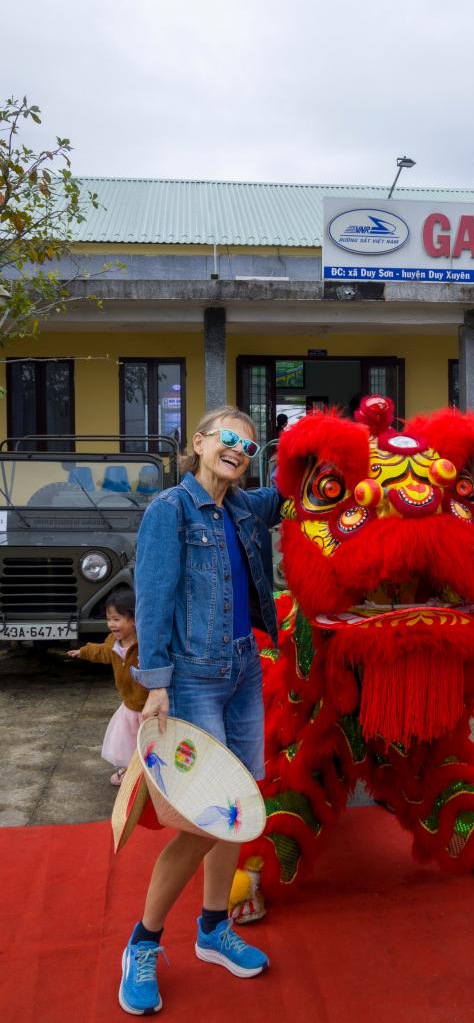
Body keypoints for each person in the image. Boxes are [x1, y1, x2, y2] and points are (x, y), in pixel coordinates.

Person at [118, 406, 282, 1016]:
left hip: (243, 672)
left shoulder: (244, 507)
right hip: (192, 681)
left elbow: (299, 488)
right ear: (199, 442)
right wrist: (155, 682)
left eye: (250, 443)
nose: (238, 448)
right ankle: (144, 942)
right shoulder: (171, 510)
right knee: (202, 819)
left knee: (238, 806)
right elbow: (154, 598)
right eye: (228, 438)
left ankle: (213, 929)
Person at [67, 591, 147, 785]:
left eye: (116, 619)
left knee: (148, 741)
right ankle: (130, 769)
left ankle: (150, 775)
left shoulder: (144, 645)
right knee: (128, 742)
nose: (111, 624)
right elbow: (102, 651)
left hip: (147, 705)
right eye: (109, 619)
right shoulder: (113, 642)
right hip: (129, 705)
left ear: (134, 619)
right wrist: (83, 651)